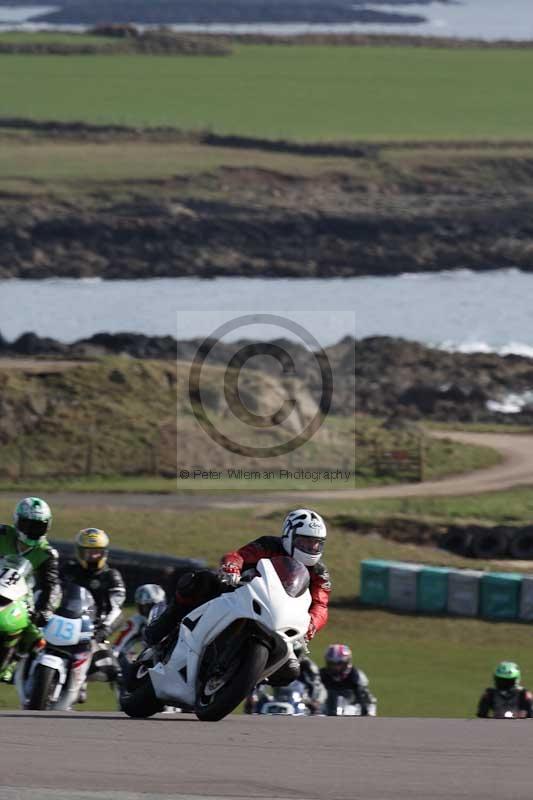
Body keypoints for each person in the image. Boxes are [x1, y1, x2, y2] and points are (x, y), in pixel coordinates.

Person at [144, 508, 331, 685]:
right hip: (242, 594)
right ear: (289, 536)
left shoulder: (319, 573)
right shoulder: (269, 545)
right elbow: (239, 556)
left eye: (316, 543)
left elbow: (321, 605)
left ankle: (246, 679)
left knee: (291, 669)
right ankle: (163, 627)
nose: (311, 547)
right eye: (305, 541)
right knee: (196, 581)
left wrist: (312, 624)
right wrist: (232, 567)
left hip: (280, 618)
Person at [61, 528, 126, 701]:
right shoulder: (68, 570)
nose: (93, 556)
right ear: (79, 552)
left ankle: (127, 702)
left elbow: (117, 607)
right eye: (88, 552)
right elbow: (53, 593)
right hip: (64, 624)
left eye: (97, 552)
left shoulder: (111, 576)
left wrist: (104, 629)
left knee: (115, 669)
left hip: (93, 631)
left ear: (104, 553)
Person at [0, 497, 59, 680]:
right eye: (28, 525)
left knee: (36, 631)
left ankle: (14, 660)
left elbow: (51, 585)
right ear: (17, 522)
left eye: (39, 526)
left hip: (22, 594)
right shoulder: (2, 534)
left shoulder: (47, 553)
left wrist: (46, 610)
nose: (33, 530)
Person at [320, 644, 377, 716]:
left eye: (339, 664)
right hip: (325, 707)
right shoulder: (320, 674)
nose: (336, 668)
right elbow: (314, 693)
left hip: (350, 708)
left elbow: (367, 698)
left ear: (347, 662)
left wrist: (367, 711)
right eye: (332, 664)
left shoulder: (356, 675)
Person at [115, 583, 166, 662]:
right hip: (153, 660)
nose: (154, 611)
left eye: (148, 606)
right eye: (143, 606)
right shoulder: (137, 621)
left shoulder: (174, 616)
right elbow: (117, 647)